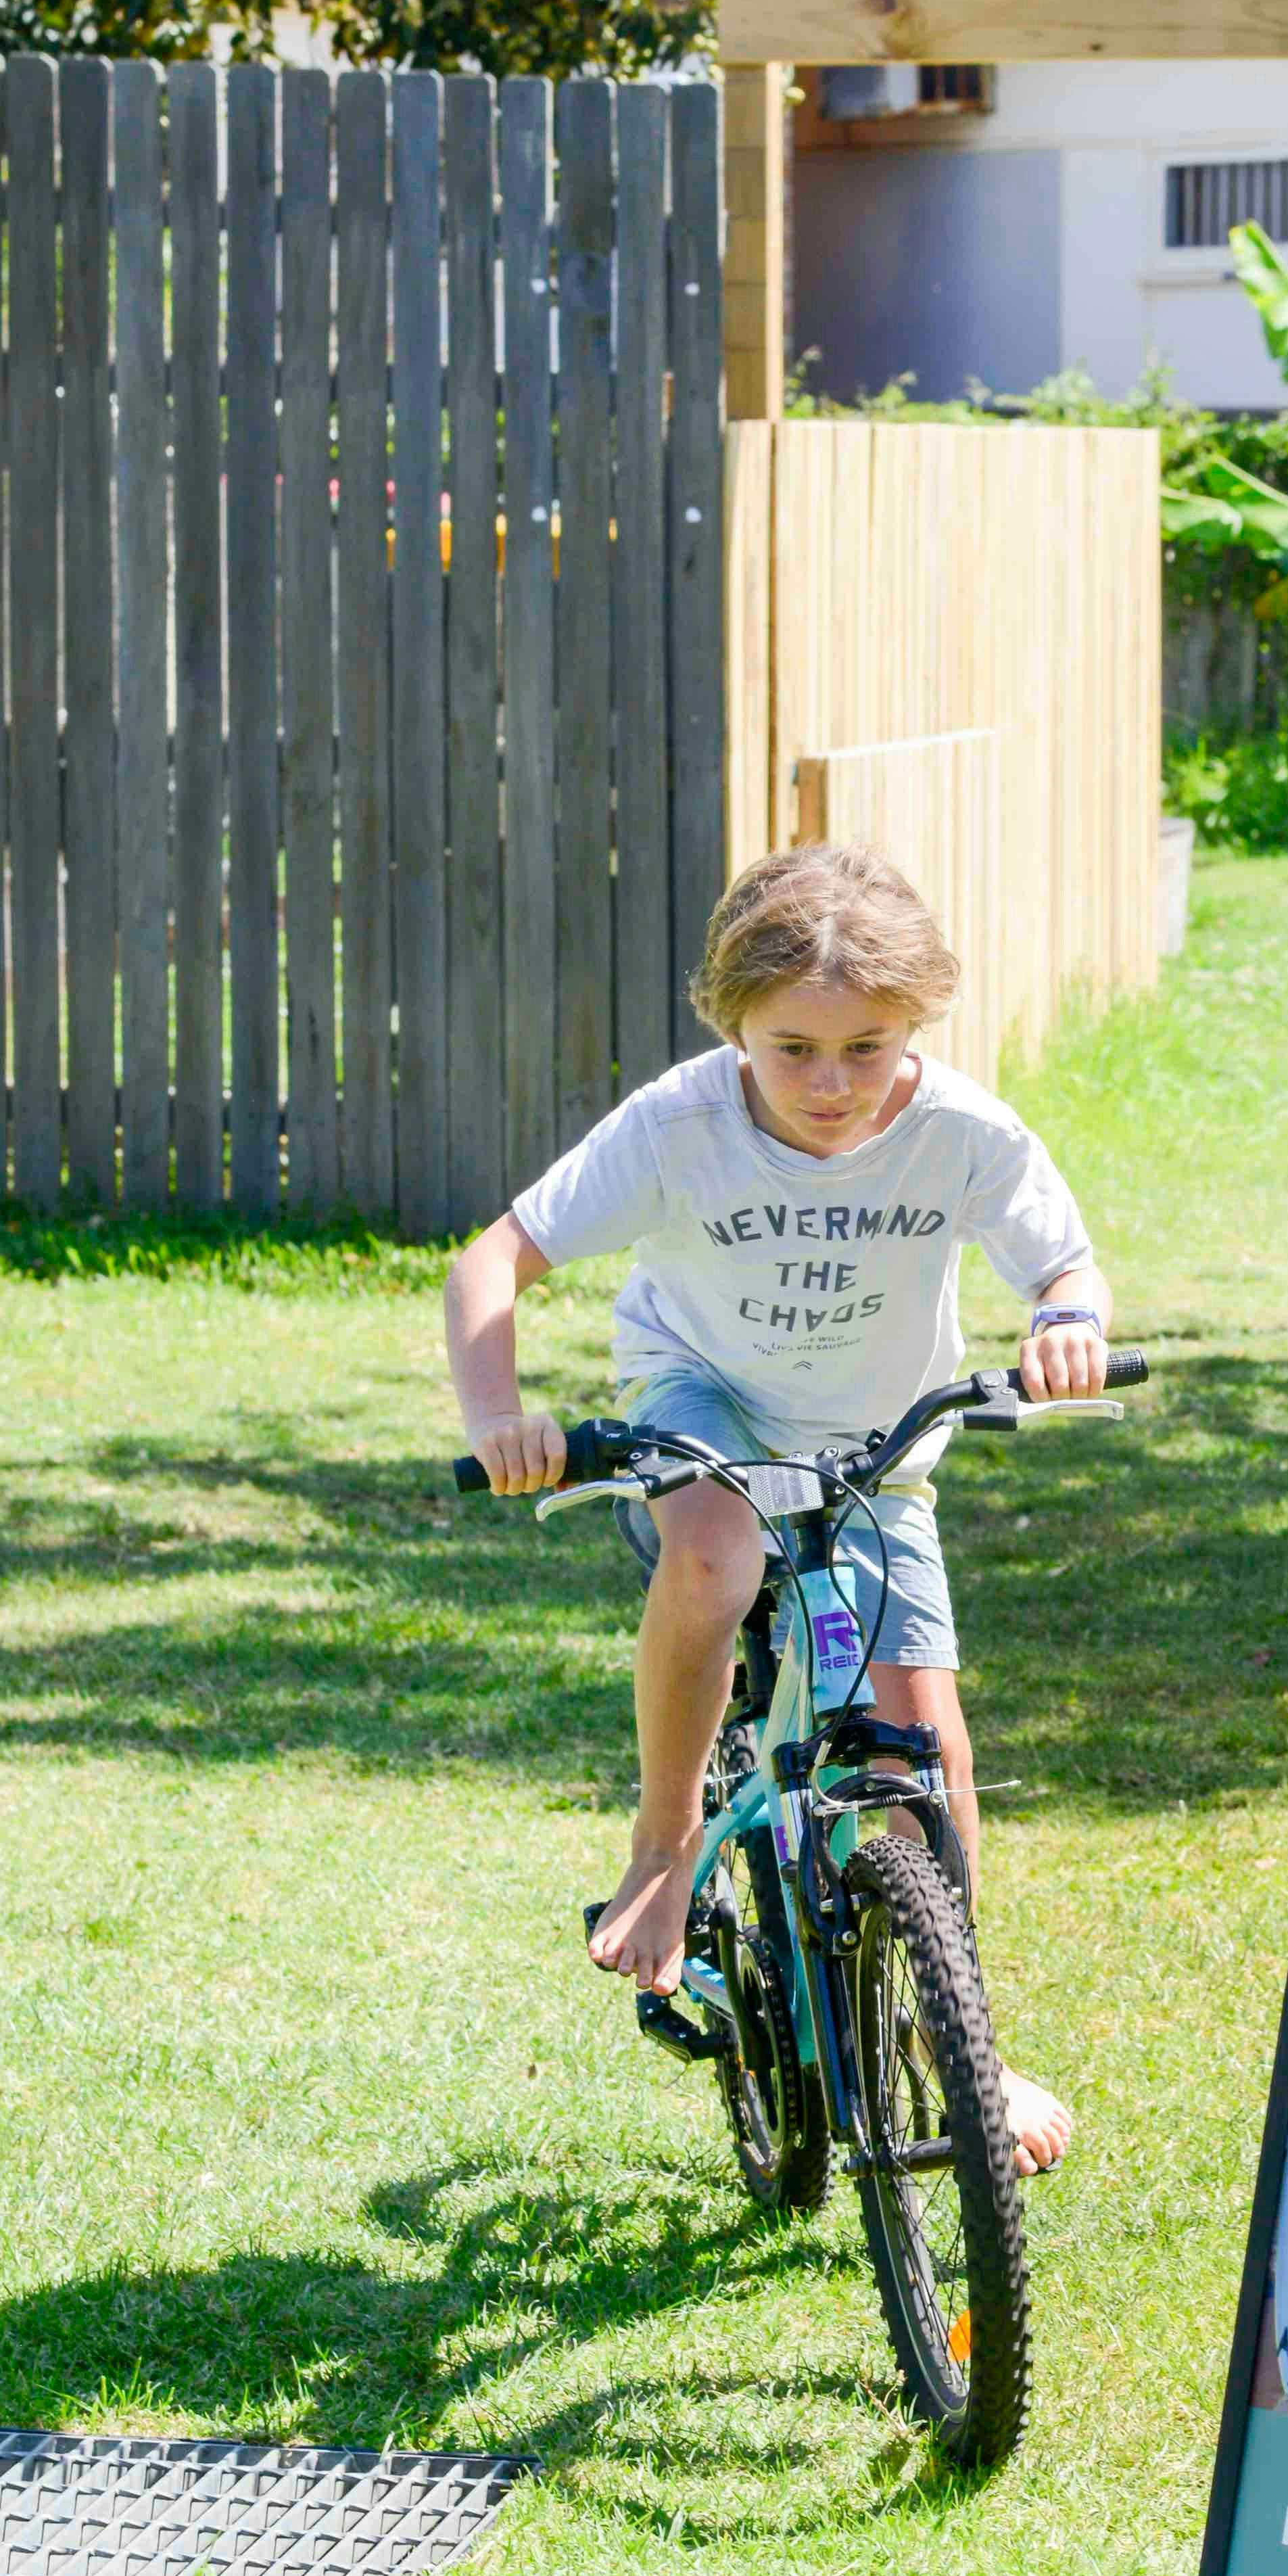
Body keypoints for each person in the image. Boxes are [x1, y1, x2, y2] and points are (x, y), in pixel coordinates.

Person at [443, 839, 1111, 2178]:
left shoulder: (964, 1135)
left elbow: (1065, 1263)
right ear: (730, 1020)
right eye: (792, 1047)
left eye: (867, 1048)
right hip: (706, 1402)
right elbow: (493, 1259)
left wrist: (1069, 1326)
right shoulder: (682, 1125)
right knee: (715, 1554)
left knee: (930, 1755)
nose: (829, 1083)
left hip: (873, 1446)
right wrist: (497, 1417)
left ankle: (957, 2041)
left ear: (914, 1023)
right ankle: (667, 1842)